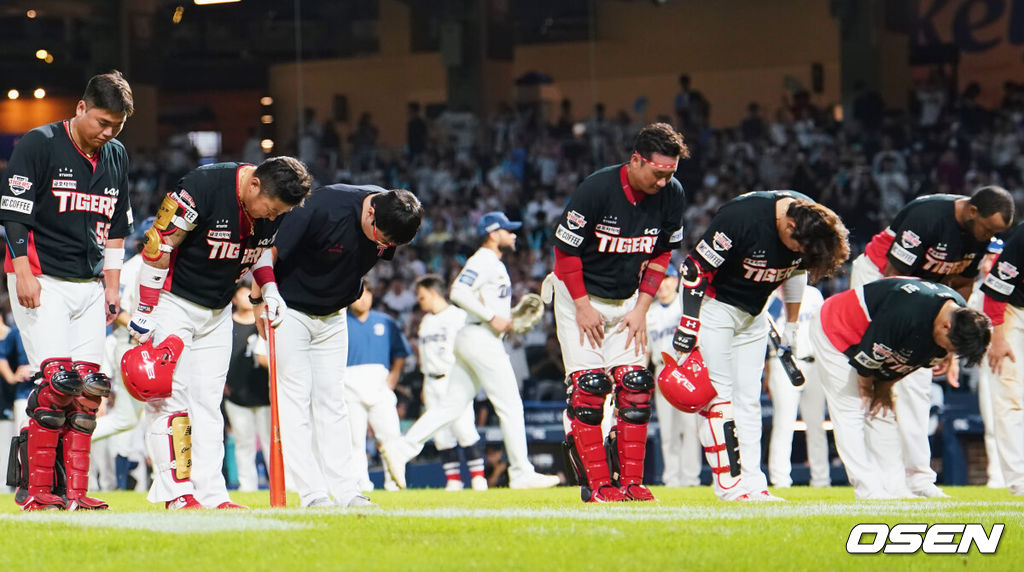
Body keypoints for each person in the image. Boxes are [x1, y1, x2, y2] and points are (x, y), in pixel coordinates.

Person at [124, 156, 312, 510]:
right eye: (270, 209)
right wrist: (146, 309)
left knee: (209, 404)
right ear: (254, 184)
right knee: (169, 397)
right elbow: (158, 245)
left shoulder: (274, 205)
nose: (272, 217)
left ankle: (211, 494)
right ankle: (177, 492)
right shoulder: (200, 188)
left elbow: (259, 252)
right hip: (171, 300)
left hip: (218, 308)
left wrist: (268, 290)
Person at [2, 71, 134, 511]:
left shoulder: (116, 154)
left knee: (89, 389)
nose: (107, 131)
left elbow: (116, 229)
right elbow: (14, 213)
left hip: (90, 283)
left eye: (116, 124)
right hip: (42, 278)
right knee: (56, 383)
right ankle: (35, 489)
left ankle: (74, 491)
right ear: (80, 107)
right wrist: (21, 271)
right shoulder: (39, 143)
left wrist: (113, 287)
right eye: (101, 120)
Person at [250, 184, 422, 507]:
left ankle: (348, 491)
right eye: (383, 238)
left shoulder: (392, 216)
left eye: (392, 244)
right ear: (370, 212)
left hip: (334, 314)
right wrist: (259, 298)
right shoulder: (323, 205)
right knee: (295, 401)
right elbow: (268, 253)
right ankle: (313, 494)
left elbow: (379, 245)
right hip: (291, 310)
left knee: (334, 404)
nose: (385, 246)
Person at [671, 190, 849, 501]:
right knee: (719, 399)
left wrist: (791, 324)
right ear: (789, 225)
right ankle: (728, 484)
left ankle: (754, 483)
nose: (798, 252)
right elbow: (695, 269)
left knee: (749, 402)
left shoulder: (808, 222)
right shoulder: (742, 217)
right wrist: (689, 322)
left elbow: (798, 272)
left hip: (755, 313)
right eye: (798, 246)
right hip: (717, 307)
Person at [549, 122, 689, 503]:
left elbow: (662, 254)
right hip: (579, 294)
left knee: (636, 385)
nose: (663, 182)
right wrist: (581, 306)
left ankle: (631, 482)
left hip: (628, 298)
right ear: (636, 160)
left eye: (670, 174)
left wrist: (642, 308)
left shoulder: (672, 194)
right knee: (589, 388)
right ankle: (597, 485)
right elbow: (565, 252)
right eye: (658, 173)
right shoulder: (597, 188)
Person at [849, 186, 1013, 498]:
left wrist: (950, 346)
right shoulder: (927, 215)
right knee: (875, 374)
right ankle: (882, 477)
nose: (989, 238)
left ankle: (919, 478)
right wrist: (892, 333)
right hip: (878, 280)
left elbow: (962, 285)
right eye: (989, 230)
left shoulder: (979, 236)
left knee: (918, 383)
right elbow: (893, 276)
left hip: (929, 296)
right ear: (973, 212)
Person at [380, 211, 560, 491]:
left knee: (451, 407)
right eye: (507, 229)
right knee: (510, 405)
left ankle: (402, 449)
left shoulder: (493, 263)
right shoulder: (483, 260)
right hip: (480, 337)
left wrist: (506, 318)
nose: (513, 234)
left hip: (478, 335)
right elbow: (458, 292)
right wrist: (491, 316)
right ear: (492, 233)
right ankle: (521, 471)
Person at [808, 277, 990, 499]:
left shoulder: (956, 317)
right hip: (837, 328)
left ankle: (895, 488)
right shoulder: (906, 310)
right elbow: (867, 361)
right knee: (853, 408)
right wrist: (869, 390)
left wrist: (884, 390)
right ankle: (868, 490)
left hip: (875, 340)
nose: (947, 352)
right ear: (946, 326)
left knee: (883, 412)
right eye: (950, 347)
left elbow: (907, 363)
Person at [414, 274, 488, 491]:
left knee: (464, 427)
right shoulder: (426, 321)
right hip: (431, 380)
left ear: (433, 293)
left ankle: (478, 478)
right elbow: (424, 355)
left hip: (453, 377)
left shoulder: (457, 316)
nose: (420, 301)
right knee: (441, 435)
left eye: (422, 296)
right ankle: (453, 480)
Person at [344, 286, 411, 492]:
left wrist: (394, 376)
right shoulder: (339, 322)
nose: (363, 299)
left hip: (379, 382)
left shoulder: (385, 321)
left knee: (391, 436)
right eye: (359, 294)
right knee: (354, 441)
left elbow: (400, 352)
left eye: (367, 294)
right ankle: (361, 485)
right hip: (348, 384)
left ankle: (394, 482)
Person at [765, 285, 831, 489]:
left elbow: (823, 328)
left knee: (816, 425)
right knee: (783, 424)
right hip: (783, 362)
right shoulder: (771, 296)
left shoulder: (813, 294)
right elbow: (766, 332)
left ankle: (821, 480)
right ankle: (780, 480)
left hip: (813, 363)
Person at [645, 264, 701, 487]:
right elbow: (647, 351)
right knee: (668, 429)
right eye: (659, 279)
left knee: (689, 427)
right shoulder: (650, 312)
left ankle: (691, 478)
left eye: (667, 278)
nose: (663, 284)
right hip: (662, 369)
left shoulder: (685, 305)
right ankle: (671, 478)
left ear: (676, 280)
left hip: (685, 367)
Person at [978, 223, 1024, 495]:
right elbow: (996, 286)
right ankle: (1019, 480)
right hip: (1013, 311)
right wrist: (997, 336)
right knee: (1010, 397)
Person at [223, 283, 271, 493]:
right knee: (244, 443)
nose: (247, 296)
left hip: (265, 395)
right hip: (236, 396)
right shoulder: (226, 325)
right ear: (234, 298)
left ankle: (281, 485)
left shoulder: (265, 324)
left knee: (272, 445)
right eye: (242, 292)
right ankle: (247, 487)